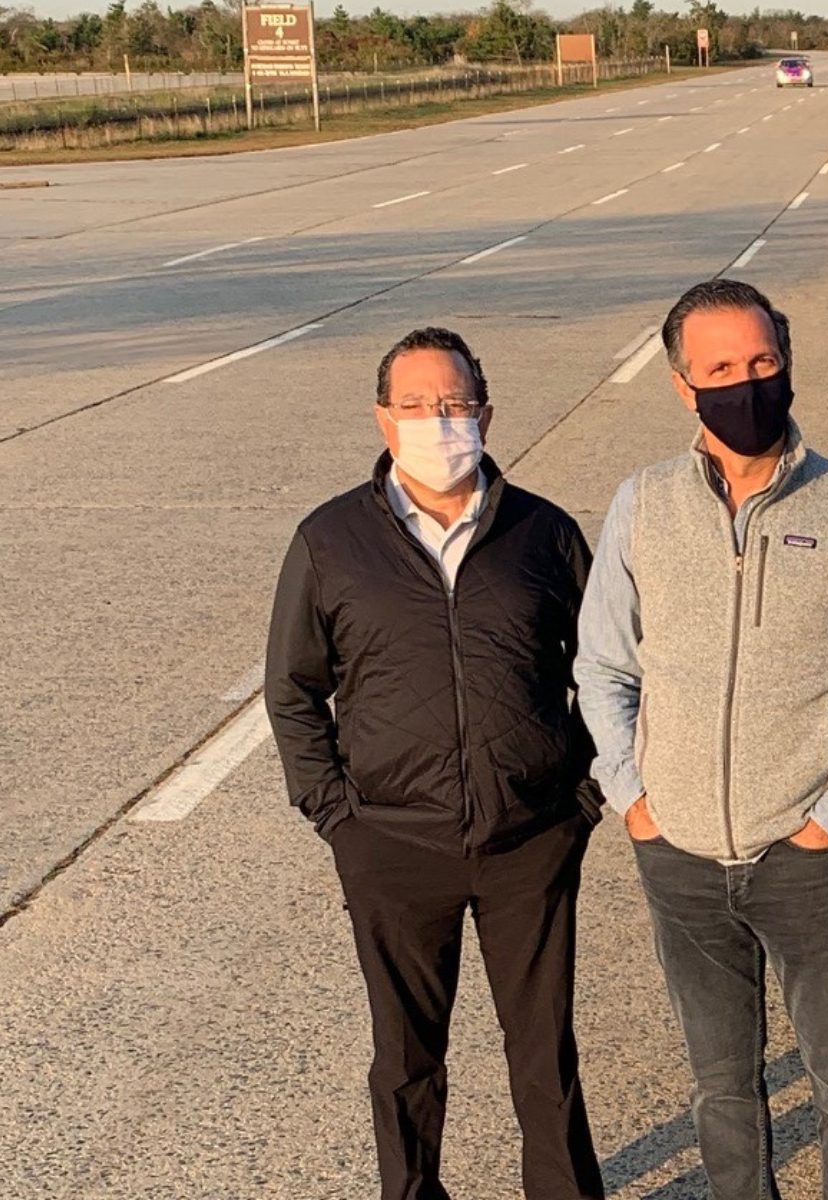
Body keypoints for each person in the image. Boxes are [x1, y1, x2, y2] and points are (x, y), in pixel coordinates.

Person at [573, 279, 828, 1200]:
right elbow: (602, 670)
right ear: (683, 386)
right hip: (680, 856)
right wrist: (636, 802)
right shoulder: (643, 506)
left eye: (764, 363)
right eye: (723, 369)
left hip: (810, 859)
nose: (748, 384)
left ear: (789, 367)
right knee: (722, 1088)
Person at [265, 327, 606, 1200]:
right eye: (417, 406)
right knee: (407, 1059)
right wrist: (337, 816)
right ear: (384, 419)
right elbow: (293, 691)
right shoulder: (330, 540)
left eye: (454, 404)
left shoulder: (545, 534)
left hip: (529, 840)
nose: (438, 421)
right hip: (391, 842)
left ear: (486, 413)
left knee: (543, 1055)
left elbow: (607, 672)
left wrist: (583, 796)